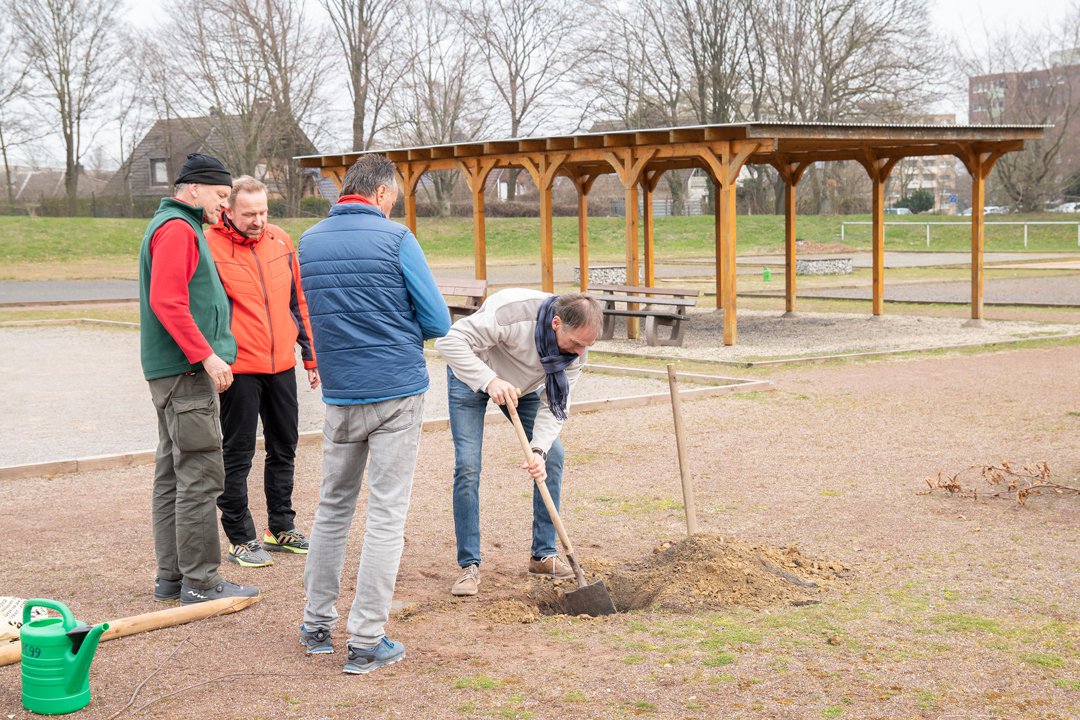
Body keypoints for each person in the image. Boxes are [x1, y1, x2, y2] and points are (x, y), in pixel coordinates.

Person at [297, 154, 450, 674]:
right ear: (382, 194)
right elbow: (437, 319)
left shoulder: (308, 241)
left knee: (332, 507)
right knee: (386, 514)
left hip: (341, 393)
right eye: (394, 199)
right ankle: (366, 638)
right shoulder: (397, 238)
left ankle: (316, 623)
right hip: (395, 389)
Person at [138, 152, 259, 605]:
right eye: (220, 195)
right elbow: (168, 301)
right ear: (193, 189)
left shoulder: (175, 225)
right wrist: (207, 356)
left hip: (172, 371)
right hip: (186, 372)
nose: (224, 205)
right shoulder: (177, 229)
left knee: (174, 474)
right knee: (200, 474)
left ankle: (172, 578)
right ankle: (201, 581)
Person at [434, 289, 603, 597]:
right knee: (468, 465)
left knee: (553, 455)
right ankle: (469, 565)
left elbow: (555, 406)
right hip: (472, 372)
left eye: (586, 345)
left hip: (520, 388)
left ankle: (543, 555)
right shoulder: (512, 314)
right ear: (556, 324)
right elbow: (449, 341)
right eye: (576, 343)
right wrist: (489, 381)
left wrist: (538, 451)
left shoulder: (577, 351)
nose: (580, 352)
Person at [205, 176, 319, 569]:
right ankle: (240, 538)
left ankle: (280, 528)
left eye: (264, 212)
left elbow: (297, 301)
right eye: (249, 214)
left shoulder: (281, 240)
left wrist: (310, 356)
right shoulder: (208, 245)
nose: (258, 220)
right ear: (229, 211)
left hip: (281, 365)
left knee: (284, 446)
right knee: (237, 453)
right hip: (238, 369)